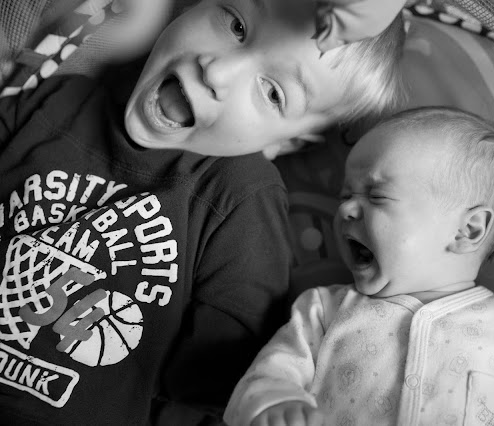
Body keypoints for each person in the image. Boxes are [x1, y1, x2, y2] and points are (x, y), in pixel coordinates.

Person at [0, 0, 405, 424]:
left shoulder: (240, 196)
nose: (217, 71)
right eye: (236, 25)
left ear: (284, 143)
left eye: (272, 93)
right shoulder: (52, 101)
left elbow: (217, 383)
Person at [224, 107, 494, 426]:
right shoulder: (324, 311)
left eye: (376, 195)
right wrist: (274, 403)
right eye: (345, 195)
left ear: (468, 230)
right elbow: (271, 373)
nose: (346, 209)